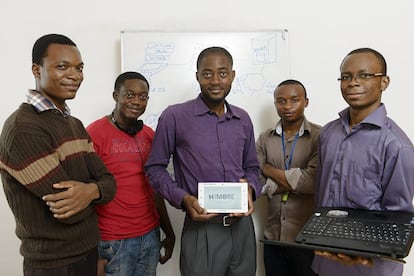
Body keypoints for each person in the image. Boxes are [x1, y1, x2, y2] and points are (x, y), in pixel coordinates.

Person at [0, 34, 116, 276]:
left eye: (79, 68)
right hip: (53, 265)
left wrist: (90, 191)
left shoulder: (74, 124)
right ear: (36, 69)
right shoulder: (23, 128)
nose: (75, 75)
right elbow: (67, 212)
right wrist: (96, 191)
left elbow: (109, 182)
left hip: (87, 253)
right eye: (62, 66)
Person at [145, 46, 261, 276]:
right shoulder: (175, 116)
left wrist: (250, 189)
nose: (215, 81)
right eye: (207, 74)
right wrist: (183, 199)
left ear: (233, 75)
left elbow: (252, 168)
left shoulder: (243, 118)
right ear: (197, 76)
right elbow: (154, 168)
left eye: (222, 73)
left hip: (242, 231)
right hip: (202, 230)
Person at [312, 47, 414, 276]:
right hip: (326, 261)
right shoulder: (329, 133)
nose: (352, 83)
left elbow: (399, 220)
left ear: (384, 82)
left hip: (368, 267)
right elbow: (320, 195)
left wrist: (364, 254)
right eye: (346, 77)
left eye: (364, 75)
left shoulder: (397, 146)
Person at [86, 71, 175, 276]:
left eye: (142, 97)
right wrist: (93, 253)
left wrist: (168, 232)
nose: (136, 101)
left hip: (150, 235)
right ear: (116, 95)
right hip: (113, 241)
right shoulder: (94, 134)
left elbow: (156, 189)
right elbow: (86, 195)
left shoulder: (149, 136)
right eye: (129, 95)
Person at [256, 79, 320, 276]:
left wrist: (269, 170)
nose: (287, 106)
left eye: (294, 100)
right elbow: (256, 182)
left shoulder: (320, 136)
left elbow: (311, 182)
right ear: (275, 104)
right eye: (281, 101)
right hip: (272, 239)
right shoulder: (265, 138)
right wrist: (293, 181)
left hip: (307, 239)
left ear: (306, 102)